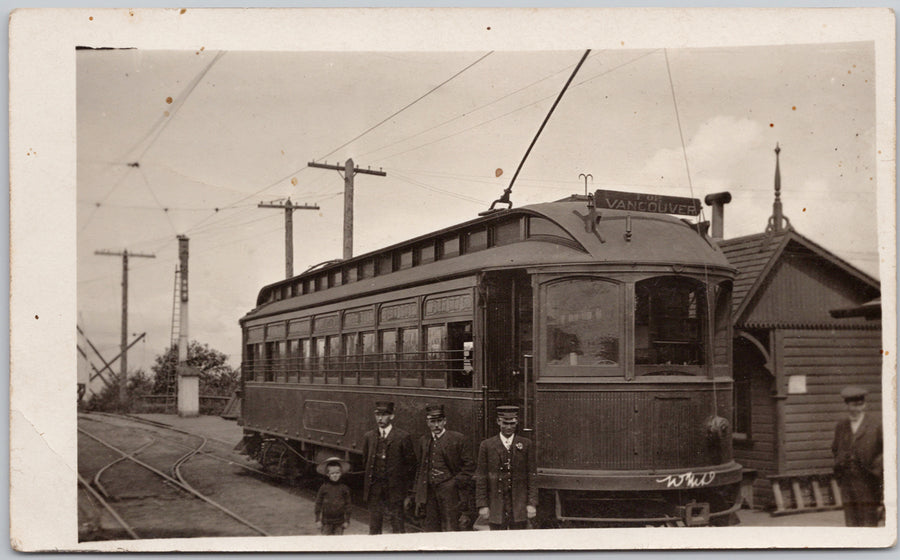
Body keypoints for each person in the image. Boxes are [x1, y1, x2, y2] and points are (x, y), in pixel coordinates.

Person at [413, 404, 475, 532]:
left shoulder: (457, 439)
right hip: (429, 491)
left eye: (439, 421)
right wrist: (418, 493)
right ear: (427, 422)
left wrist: (454, 483)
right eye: (433, 421)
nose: (436, 425)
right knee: (430, 527)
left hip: (450, 493)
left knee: (450, 526)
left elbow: (469, 466)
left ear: (445, 421)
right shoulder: (424, 441)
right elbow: (420, 468)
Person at [475, 405, 538, 530]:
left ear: (517, 422)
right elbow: (481, 477)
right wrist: (483, 505)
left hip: (519, 505)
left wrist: (532, 504)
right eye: (505, 423)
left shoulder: (526, 444)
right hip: (496, 505)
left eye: (512, 423)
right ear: (498, 422)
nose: (509, 427)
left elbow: (532, 475)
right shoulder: (486, 445)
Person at [361, 401, 416, 534]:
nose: (380, 418)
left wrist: (407, 491)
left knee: (397, 525)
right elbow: (366, 461)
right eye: (378, 415)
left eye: (384, 415)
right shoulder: (369, 436)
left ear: (392, 416)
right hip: (375, 489)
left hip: (395, 490)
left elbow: (411, 465)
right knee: (374, 526)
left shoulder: (402, 437)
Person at [832, 386, 883, 527]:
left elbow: (886, 451)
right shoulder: (841, 426)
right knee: (851, 523)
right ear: (847, 406)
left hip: (869, 482)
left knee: (868, 523)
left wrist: (876, 470)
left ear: (865, 405)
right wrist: (840, 470)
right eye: (853, 405)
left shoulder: (876, 425)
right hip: (848, 483)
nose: (856, 409)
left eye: (860, 405)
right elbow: (835, 449)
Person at [314, 457, 352, 535]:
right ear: (328, 474)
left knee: (337, 543)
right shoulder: (324, 488)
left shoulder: (344, 488)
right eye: (332, 473)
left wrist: (347, 520)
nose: (335, 475)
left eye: (337, 473)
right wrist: (318, 520)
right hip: (326, 522)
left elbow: (348, 505)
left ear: (341, 473)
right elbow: (318, 503)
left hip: (339, 522)